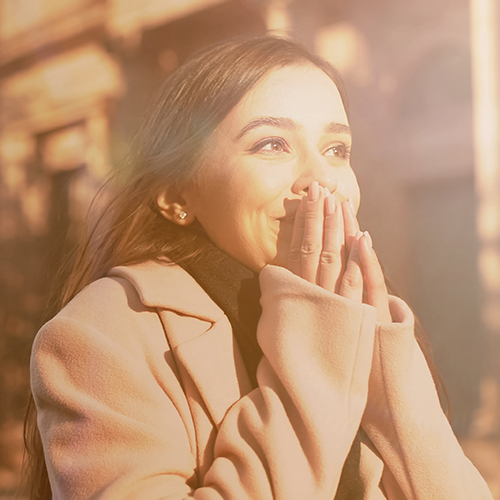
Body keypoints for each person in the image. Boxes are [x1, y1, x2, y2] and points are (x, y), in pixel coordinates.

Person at [24, 35, 493, 500]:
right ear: (176, 195)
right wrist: (317, 348)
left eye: (336, 150)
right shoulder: (100, 334)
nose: (323, 180)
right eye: (271, 145)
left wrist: (387, 364)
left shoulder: (366, 320)